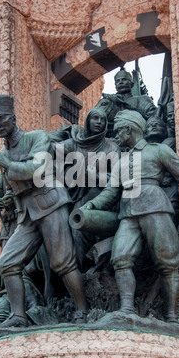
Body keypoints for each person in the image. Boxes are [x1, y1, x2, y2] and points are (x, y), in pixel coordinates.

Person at [81, 110, 179, 323]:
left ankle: (173, 317)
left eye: (118, 130)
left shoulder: (158, 151)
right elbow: (111, 193)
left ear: (129, 129)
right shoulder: (120, 161)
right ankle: (127, 308)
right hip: (128, 215)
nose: (116, 135)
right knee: (120, 258)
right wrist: (91, 205)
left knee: (167, 264)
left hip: (155, 208)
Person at [0, 94, 88, 327]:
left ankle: (83, 311)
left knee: (63, 263)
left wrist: (9, 166)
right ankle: (18, 316)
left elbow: (37, 167)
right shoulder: (4, 154)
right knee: (7, 263)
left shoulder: (36, 137)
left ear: (13, 117)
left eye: (1, 119)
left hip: (51, 204)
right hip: (27, 215)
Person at [55, 108, 120, 269]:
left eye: (102, 120)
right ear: (87, 122)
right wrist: (64, 131)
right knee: (70, 232)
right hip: (75, 196)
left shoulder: (111, 148)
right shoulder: (75, 143)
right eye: (95, 118)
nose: (98, 122)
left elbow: (117, 179)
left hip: (101, 196)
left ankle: (91, 269)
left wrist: (95, 175)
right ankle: (79, 273)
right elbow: (51, 148)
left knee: (87, 232)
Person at [94, 67, 157, 136]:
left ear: (132, 84)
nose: (120, 82)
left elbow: (154, 117)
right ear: (115, 85)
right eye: (118, 81)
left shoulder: (142, 99)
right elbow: (94, 117)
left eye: (124, 79)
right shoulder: (108, 101)